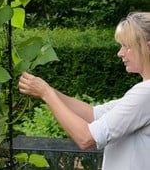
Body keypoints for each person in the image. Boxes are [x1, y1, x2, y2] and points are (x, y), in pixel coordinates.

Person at [18, 12, 150, 170]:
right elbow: (91, 114)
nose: (120, 53)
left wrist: (46, 93)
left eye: (127, 46)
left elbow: (86, 138)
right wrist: (44, 88)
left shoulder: (146, 93)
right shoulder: (143, 93)